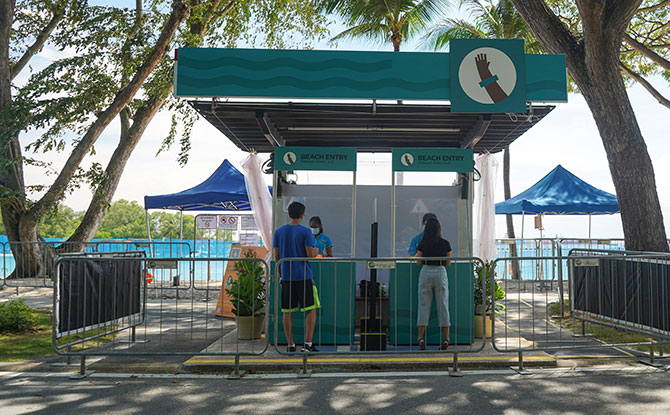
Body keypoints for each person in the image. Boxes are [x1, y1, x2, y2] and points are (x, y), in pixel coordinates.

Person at [273, 201, 319, 353]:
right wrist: (316, 250)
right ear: (302, 215)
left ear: (289, 214)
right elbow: (309, 254)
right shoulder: (306, 232)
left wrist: (281, 276)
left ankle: (290, 345)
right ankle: (307, 344)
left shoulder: (279, 232)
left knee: (287, 311)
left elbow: (277, 257)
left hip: (287, 277)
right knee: (311, 309)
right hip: (304, 276)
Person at [415, 217, 452, 351]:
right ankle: (446, 338)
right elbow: (448, 263)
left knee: (423, 305)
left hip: (426, 273)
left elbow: (418, 261)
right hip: (440, 273)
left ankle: (420, 338)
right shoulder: (445, 243)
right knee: (443, 304)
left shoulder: (422, 243)